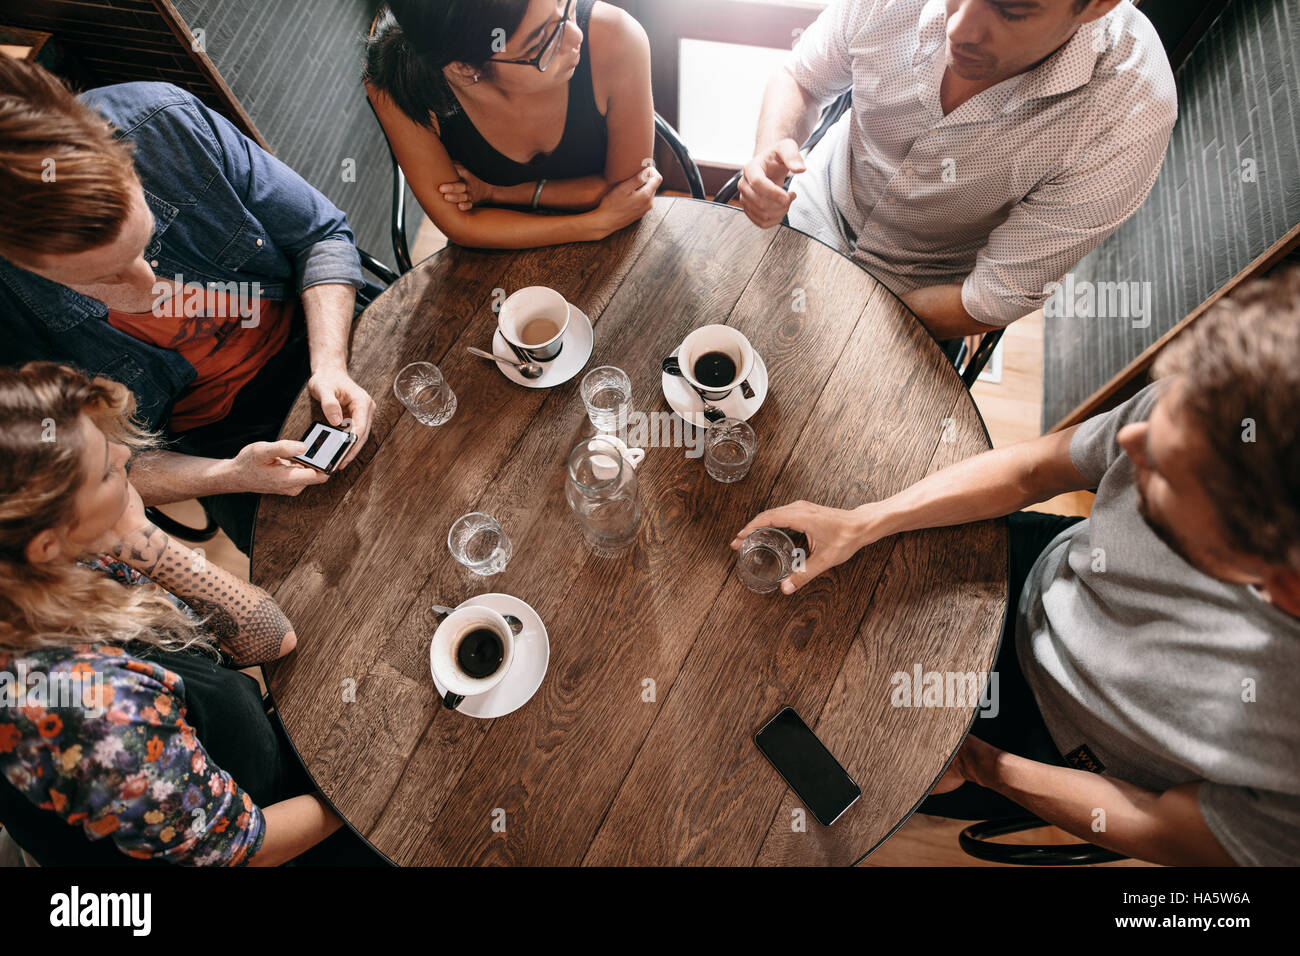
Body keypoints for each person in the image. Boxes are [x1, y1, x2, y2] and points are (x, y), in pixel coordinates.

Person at [732, 267, 1300, 866]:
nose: (1129, 442)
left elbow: (1166, 828)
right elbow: (1035, 471)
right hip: (1040, 568)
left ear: (1276, 581)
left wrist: (983, 765)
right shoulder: (1218, 412)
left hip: (1041, 739)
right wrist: (867, 520)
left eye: (1160, 469)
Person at [0, 362, 379, 866]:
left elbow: (270, 638)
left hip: (240, 768)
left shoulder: (63, 558)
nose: (126, 456)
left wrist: (135, 533)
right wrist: (356, 789)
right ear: (46, 543)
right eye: (108, 471)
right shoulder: (98, 712)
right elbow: (244, 848)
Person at [0, 55, 377, 554]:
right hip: (219, 437)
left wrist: (329, 363)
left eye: (144, 243)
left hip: (320, 331)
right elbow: (92, 471)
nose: (147, 283)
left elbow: (320, 236)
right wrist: (232, 474)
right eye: (102, 277)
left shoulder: (162, 122)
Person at [738, 0, 1177, 340]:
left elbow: (988, 298)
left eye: (1009, 10)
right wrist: (770, 148)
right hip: (810, 206)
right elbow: (802, 79)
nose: (958, 29)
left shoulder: (1130, 111)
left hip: (918, 295)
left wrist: (852, 319)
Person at [364, 0, 663, 250]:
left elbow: (629, 193)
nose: (575, 37)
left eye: (562, 3)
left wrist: (498, 194)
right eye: (541, 42)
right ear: (465, 69)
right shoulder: (396, 82)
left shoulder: (616, 37)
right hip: (493, 256)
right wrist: (593, 224)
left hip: (620, 240)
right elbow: (460, 224)